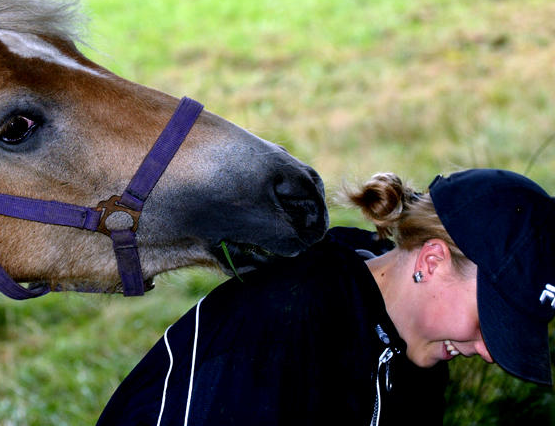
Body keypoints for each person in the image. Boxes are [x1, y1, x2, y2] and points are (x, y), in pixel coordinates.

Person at [96, 169, 555, 425]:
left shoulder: (418, 350)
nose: (491, 353)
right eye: (489, 319)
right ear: (431, 262)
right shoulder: (276, 327)